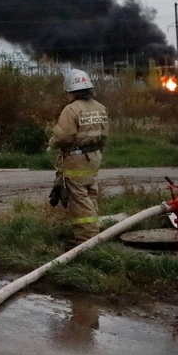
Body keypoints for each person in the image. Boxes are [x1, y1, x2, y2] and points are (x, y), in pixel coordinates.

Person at [49, 69, 110, 243]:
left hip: (76, 160)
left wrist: (52, 142)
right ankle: (94, 231)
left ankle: (86, 238)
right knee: (90, 193)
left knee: (79, 198)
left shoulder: (71, 110)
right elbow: (104, 134)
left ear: (71, 90)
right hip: (94, 157)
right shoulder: (100, 107)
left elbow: (64, 136)